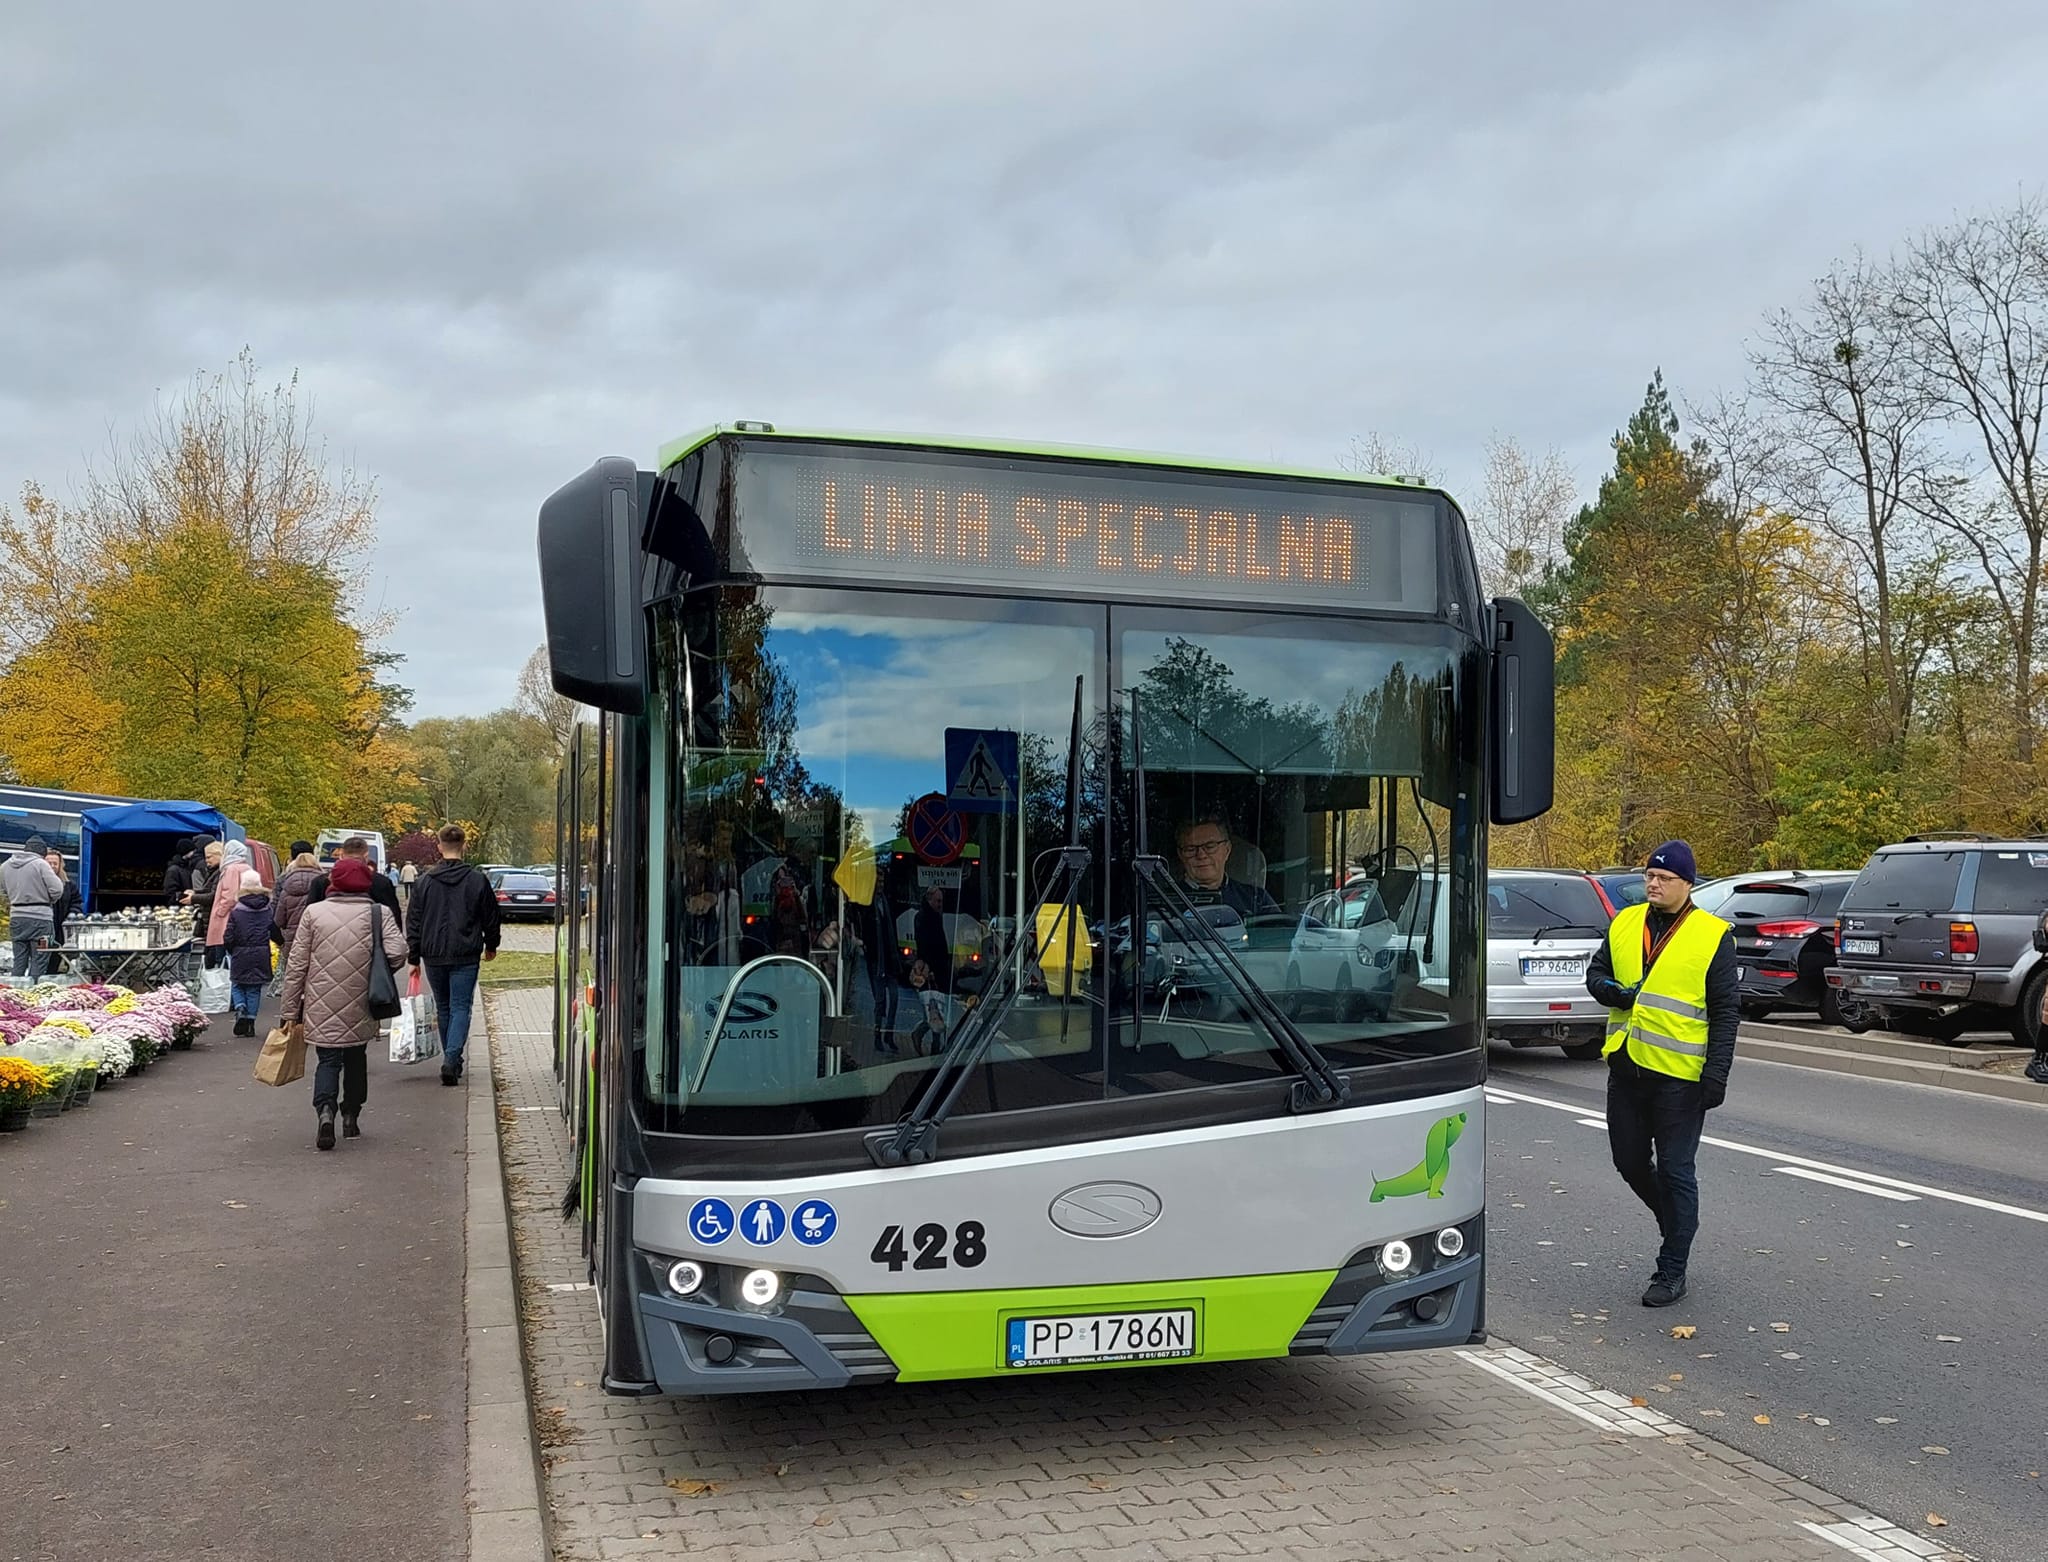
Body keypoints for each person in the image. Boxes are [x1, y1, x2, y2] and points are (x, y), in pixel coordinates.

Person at [1585, 840, 1737, 1308]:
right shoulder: (1625, 922)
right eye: (1650, 875)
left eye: (1664, 878)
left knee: (1675, 1171)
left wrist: (1717, 1075)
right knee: (1629, 1162)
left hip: (1680, 1077)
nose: (1653, 883)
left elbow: (1726, 1011)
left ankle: (1672, 1269)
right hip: (1627, 1068)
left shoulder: (1712, 935)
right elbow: (1596, 975)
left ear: (1687, 885)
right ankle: (1677, 1225)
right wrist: (1613, 992)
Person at [282, 854, 406, 1150]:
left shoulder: (313, 913)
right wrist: (377, 968)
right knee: (355, 1058)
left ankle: (325, 1111)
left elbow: (296, 964)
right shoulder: (379, 913)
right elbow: (398, 951)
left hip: (320, 1000)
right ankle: (351, 1114)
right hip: (363, 999)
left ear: (333, 881)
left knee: (327, 1059)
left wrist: (289, 1009)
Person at [405, 824, 501, 1086]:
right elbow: (491, 916)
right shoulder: (477, 880)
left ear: (439, 847)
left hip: (433, 953)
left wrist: (413, 957)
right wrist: (491, 945)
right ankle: (451, 1058)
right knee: (461, 1006)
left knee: (444, 1007)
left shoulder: (425, 882)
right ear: (465, 846)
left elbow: (414, 921)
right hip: (466, 951)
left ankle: (451, 1059)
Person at [1173, 813, 1280, 917]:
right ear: (1180, 854)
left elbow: (1280, 931)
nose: (1201, 855)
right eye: (1191, 849)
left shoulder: (1257, 899)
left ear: (1227, 850)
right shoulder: (1165, 902)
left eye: (1210, 846)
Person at [223, 876, 281, 1036]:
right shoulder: (268, 908)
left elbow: (229, 934)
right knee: (254, 989)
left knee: (237, 983)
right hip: (261, 952)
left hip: (240, 951)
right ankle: (250, 1023)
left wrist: (229, 948)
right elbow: (274, 930)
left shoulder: (237, 910)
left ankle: (240, 1007)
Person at [4, 837, 66, 981]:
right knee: (40, 959)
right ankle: (34, 995)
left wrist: (16, 899)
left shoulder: (5, 865)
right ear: (42, 853)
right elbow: (57, 889)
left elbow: (3, 891)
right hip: (41, 921)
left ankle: (14, 995)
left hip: (17, 919)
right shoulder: (40, 864)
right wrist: (48, 900)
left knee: (19, 960)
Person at [307, 835, 401, 916]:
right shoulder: (381, 883)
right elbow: (394, 916)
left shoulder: (322, 881)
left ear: (341, 855)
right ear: (366, 855)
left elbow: (309, 916)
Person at [206, 840, 256, 962]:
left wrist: (220, 912)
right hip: (242, 917)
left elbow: (229, 895)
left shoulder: (231, 869)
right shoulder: (247, 867)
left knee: (223, 957)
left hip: (227, 918)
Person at [913, 885, 955, 992]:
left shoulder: (935, 915)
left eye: (941, 901)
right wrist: (928, 965)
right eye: (938, 901)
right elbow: (923, 943)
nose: (940, 905)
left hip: (938, 965)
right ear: (929, 900)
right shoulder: (923, 918)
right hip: (932, 967)